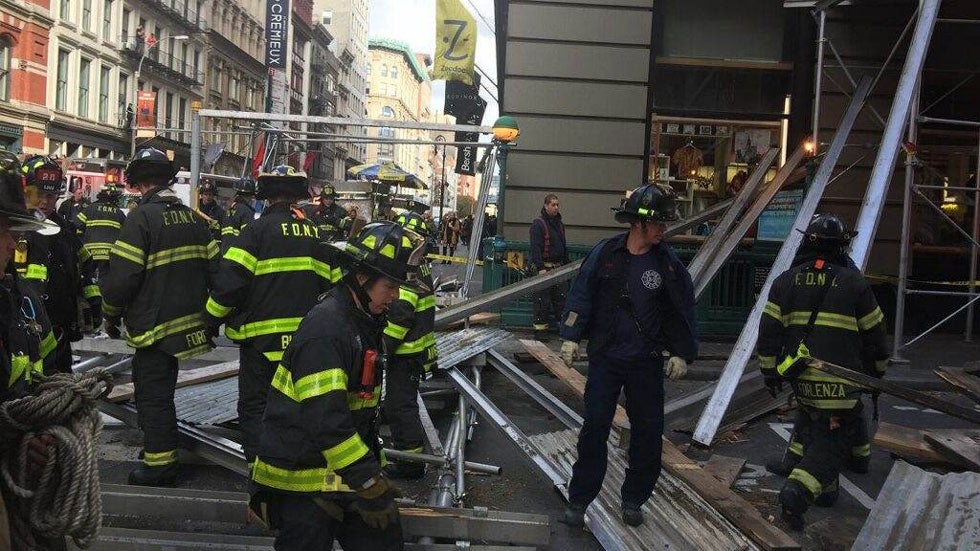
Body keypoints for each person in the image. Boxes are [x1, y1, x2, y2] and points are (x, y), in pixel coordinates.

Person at [249, 221, 428, 550]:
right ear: (362, 278)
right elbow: (326, 419)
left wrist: (371, 471)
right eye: (390, 286)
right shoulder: (328, 330)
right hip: (303, 477)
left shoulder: (363, 320)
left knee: (384, 541)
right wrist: (368, 480)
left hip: (339, 470)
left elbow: (358, 410)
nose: (396, 296)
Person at [559, 183, 696, 528]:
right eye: (659, 222)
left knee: (648, 435)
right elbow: (581, 294)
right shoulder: (605, 254)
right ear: (639, 223)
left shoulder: (667, 265)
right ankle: (579, 499)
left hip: (645, 362)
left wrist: (681, 352)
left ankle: (634, 499)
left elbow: (681, 309)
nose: (664, 229)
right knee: (594, 430)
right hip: (606, 359)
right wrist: (571, 336)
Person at [756, 214, 888, 531]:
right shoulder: (854, 283)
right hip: (842, 382)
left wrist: (770, 373)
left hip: (802, 379)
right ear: (842, 246)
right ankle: (798, 491)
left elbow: (769, 333)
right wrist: (876, 374)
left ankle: (838, 471)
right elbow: (876, 336)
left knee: (814, 418)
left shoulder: (785, 282)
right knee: (834, 439)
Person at [101, 147, 219, 486]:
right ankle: (160, 445)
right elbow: (216, 270)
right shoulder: (195, 219)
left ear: (137, 183)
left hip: (154, 327)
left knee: (152, 396)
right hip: (188, 325)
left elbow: (122, 280)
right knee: (163, 392)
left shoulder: (141, 218)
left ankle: (160, 465)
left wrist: (110, 315)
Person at [205, 166, 340, 463]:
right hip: (305, 343)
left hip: (261, 344)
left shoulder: (255, 232)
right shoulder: (315, 234)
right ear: (298, 196)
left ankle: (261, 468)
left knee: (256, 407)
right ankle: (295, 465)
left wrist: (210, 320)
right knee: (299, 404)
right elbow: (334, 286)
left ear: (264, 196)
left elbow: (230, 285)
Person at [0, 151, 63, 551]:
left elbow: (44, 364)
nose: (13, 243)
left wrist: (43, 425)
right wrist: (15, 439)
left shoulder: (17, 299)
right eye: (4, 231)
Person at [16, 155, 99, 374]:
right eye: (38, 194)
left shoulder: (65, 230)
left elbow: (85, 264)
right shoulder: (13, 228)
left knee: (60, 384)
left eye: (51, 196)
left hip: (60, 328)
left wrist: (93, 299)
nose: (44, 202)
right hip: (25, 331)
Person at [380, 211, 438, 480]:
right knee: (401, 403)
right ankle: (408, 456)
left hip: (406, 353)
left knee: (400, 407)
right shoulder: (421, 266)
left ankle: (410, 464)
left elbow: (401, 314)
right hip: (416, 350)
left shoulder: (408, 270)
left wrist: (382, 346)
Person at [529, 194, 570, 340]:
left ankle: (564, 332)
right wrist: (540, 268)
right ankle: (540, 333)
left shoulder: (559, 224)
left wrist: (567, 266)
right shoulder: (538, 224)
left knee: (562, 301)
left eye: (557, 205)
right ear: (546, 206)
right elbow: (535, 248)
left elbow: (563, 247)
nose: (556, 207)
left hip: (558, 269)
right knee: (542, 302)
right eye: (553, 205)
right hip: (544, 270)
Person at [77, 184, 126, 282]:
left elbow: (77, 227)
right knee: (107, 281)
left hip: (89, 253)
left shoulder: (90, 209)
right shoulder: (119, 213)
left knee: (88, 280)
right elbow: (125, 234)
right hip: (110, 254)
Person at [220, 177, 257, 247]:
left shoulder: (229, 209)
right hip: (238, 251)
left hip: (225, 249)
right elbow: (249, 235)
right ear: (250, 196)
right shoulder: (246, 212)